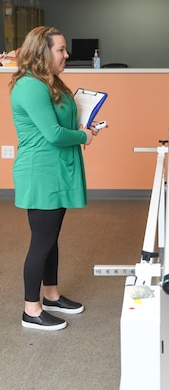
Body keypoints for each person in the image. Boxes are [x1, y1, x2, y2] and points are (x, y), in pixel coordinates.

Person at [9, 26, 99, 331]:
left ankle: (51, 295)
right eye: (60, 49)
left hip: (55, 169)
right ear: (43, 51)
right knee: (42, 241)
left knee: (51, 238)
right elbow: (53, 133)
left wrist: (86, 125)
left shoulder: (51, 82)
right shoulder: (30, 86)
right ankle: (30, 311)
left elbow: (63, 120)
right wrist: (82, 135)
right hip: (41, 172)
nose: (66, 54)